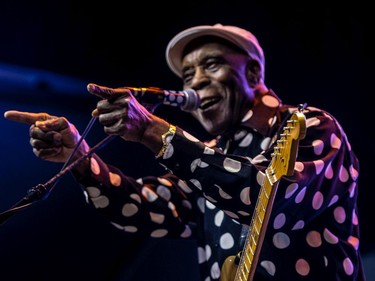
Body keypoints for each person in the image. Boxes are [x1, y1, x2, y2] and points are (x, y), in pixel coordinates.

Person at [3, 23, 366, 281]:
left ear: (253, 73)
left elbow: (265, 198)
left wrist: (152, 131)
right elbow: (144, 209)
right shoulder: (208, 155)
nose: (195, 83)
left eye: (211, 65)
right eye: (187, 75)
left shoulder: (310, 124)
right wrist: (81, 158)